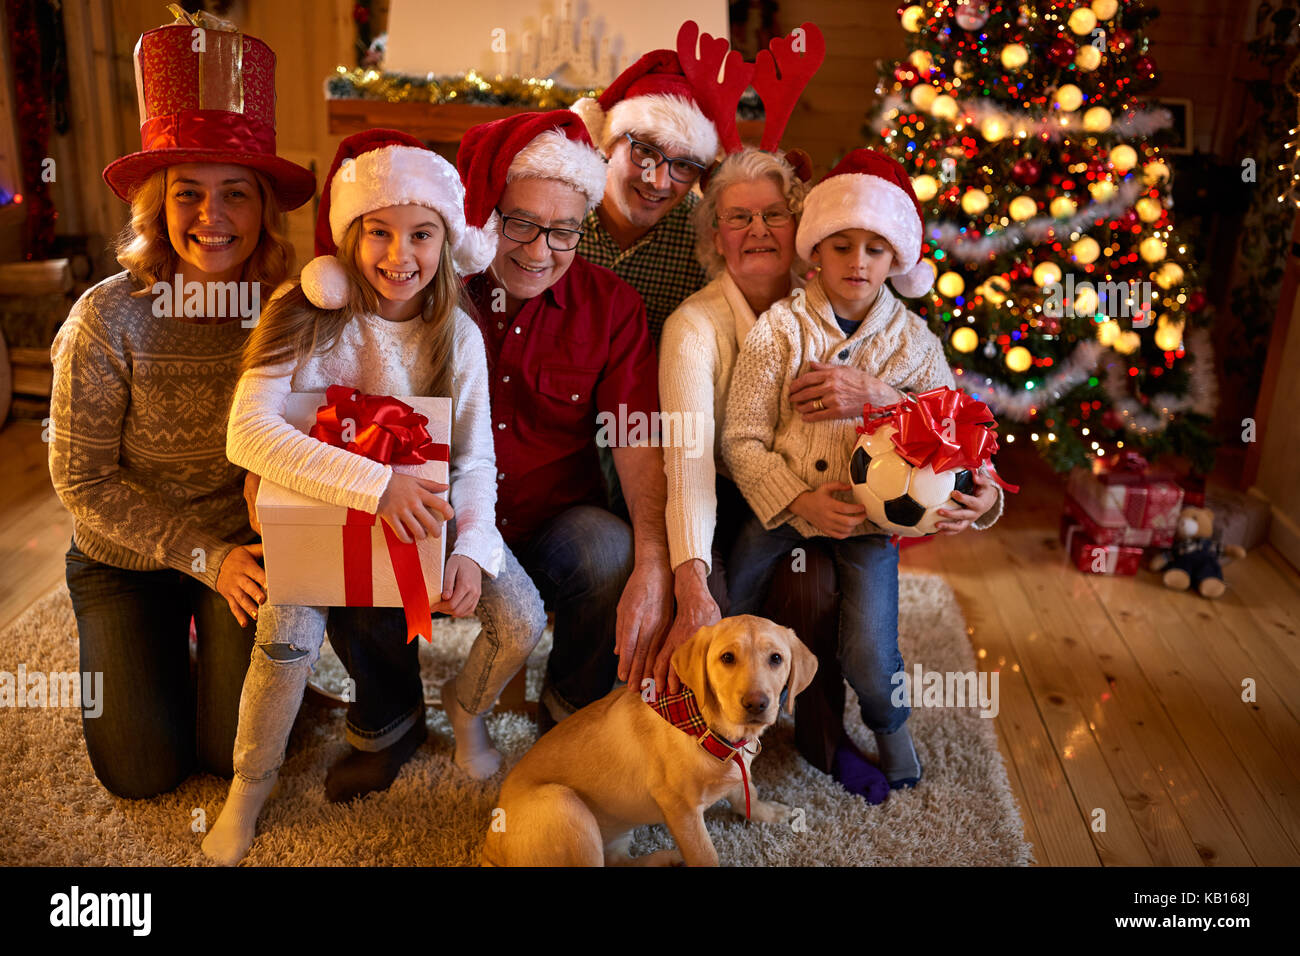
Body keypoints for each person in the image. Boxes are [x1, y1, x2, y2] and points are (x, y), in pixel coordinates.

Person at [205, 129, 545, 863]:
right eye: (378, 234)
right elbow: (247, 435)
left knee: (520, 616)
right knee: (285, 640)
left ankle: (463, 706)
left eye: (421, 235)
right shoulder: (304, 314)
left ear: (445, 243)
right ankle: (250, 784)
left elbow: (476, 459)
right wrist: (375, 484)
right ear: (346, 241)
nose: (400, 257)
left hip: (422, 509)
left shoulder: (456, 331)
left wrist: (476, 548)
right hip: (320, 513)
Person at [47, 14, 313, 800]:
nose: (213, 216)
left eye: (237, 193)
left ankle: (204, 668)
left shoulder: (284, 309)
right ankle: (159, 654)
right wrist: (202, 556)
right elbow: (83, 483)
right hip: (122, 561)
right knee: (141, 772)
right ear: (157, 205)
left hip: (245, 555)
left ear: (265, 207)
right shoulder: (107, 317)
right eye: (188, 193)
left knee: (226, 751)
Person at [722, 149, 1005, 792]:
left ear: (897, 260)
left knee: (872, 654)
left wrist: (981, 495)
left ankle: (889, 732)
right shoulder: (780, 332)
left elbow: (962, 439)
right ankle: (713, 731)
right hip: (783, 512)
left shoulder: (915, 345)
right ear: (814, 250)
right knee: (728, 610)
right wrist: (797, 501)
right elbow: (738, 439)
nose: (857, 263)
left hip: (870, 527)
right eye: (841, 245)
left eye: (876, 249)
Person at [457, 110, 683, 728]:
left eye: (563, 231)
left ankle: (570, 715)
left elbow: (636, 438)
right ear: (487, 216)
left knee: (611, 552)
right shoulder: (436, 288)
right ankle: (385, 720)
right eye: (521, 224)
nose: (539, 251)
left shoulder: (611, 306)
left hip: (552, 524)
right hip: (441, 515)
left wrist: (654, 560)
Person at [571, 40, 719, 340]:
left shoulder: (704, 243)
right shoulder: (559, 212)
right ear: (610, 144)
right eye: (646, 152)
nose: (660, 182)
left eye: (684, 165)